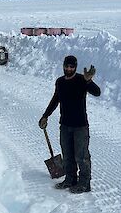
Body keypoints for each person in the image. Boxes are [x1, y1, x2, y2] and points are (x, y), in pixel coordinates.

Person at [39, 55, 101, 193]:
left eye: (71, 66)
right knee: (67, 155)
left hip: (80, 126)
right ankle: (70, 179)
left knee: (81, 156)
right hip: (65, 125)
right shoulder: (60, 82)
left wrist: (89, 81)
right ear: (63, 66)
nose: (69, 68)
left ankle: (85, 183)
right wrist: (45, 115)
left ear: (75, 67)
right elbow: (55, 100)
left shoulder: (81, 79)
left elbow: (97, 93)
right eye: (67, 66)